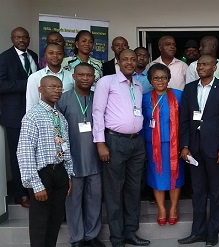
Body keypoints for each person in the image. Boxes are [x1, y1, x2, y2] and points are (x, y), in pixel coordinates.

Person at [92, 49, 150, 247]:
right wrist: (100, 143)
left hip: (136, 142)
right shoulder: (106, 82)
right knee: (114, 191)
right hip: (114, 142)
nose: (129, 62)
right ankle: (117, 238)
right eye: (125, 59)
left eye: (133, 59)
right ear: (117, 61)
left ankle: (131, 232)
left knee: (134, 190)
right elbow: (97, 112)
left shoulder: (138, 85)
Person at [178, 55, 219, 247]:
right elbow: (184, 120)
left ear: (214, 67)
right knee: (198, 191)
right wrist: (184, 146)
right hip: (194, 149)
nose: (201, 67)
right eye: (199, 65)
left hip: (216, 149)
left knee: (217, 192)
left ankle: (213, 233)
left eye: (205, 64)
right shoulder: (189, 88)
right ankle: (198, 232)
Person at [17, 75, 73, 247]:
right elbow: (24, 151)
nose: (56, 90)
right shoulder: (32, 116)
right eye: (52, 87)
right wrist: (36, 184)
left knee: (55, 222)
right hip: (43, 175)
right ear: (41, 90)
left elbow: (66, 146)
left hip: (60, 173)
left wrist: (69, 175)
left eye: (59, 87)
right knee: (40, 224)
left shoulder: (60, 117)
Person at [57, 62, 105, 247]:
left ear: (94, 78)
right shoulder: (63, 99)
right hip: (73, 160)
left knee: (94, 200)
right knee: (73, 201)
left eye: (89, 75)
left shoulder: (99, 98)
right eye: (81, 75)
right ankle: (77, 238)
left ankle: (92, 236)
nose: (85, 78)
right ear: (74, 77)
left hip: (95, 160)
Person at [141, 63, 184, 226]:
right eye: (156, 78)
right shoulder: (144, 97)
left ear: (169, 79)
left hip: (174, 144)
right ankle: (161, 209)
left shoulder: (179, 95)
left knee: (175, 175)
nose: (160, 81)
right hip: (153, 145)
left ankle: (173, 207)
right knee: (157, 176)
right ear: (150, 80)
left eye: (164, 77)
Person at [0, 26, 39, 208]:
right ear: (12, 38)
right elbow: (2, 85)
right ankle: (20, 193)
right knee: (17, 155)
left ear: (29, 38)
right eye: (18, 37)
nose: (21, 40)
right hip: (13, 115)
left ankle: (33, 188)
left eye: (24, 37)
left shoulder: (33, 55)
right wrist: (28, 84)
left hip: (34, 112)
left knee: (33, 153)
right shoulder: (4, 58)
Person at [26, 43, 74, 112]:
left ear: (63, 56)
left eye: (59, 53)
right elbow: (31, 104)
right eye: (51, 53)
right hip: (43, 119)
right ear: (45, 55)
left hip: (66, 118)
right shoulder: (35, 77)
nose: (55, 56)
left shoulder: (71, 76)